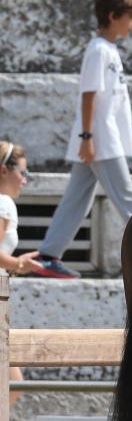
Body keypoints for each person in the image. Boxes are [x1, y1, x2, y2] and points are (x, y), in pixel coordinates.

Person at [27, 0, 132, 279]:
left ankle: (49, 254)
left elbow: (114, 100)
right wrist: (87, 138)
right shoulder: (97, 50)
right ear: (112, 15)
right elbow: (89, 95)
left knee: (77, 198)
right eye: (129, 16)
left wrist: (128, 133)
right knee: (128, 199)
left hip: (107, 137)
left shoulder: (109, 50)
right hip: (100, 141)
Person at [0, 141, 46, 404]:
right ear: (4, 171)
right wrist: (19, 264)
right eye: (23, 173)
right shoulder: (4, 203)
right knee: (13, 386)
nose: (25, 181)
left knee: (12, 385)